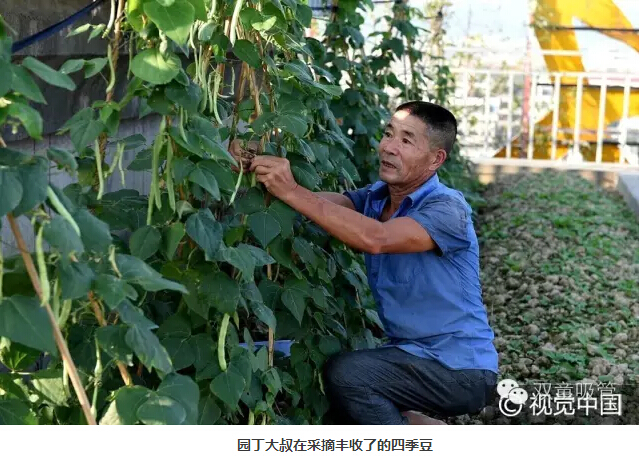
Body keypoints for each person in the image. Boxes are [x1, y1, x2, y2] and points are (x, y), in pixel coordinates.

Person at [228, 101, 498, 425]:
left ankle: (410, 440)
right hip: (410, 358)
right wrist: (257, 171)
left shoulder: (447, 209)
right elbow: (327, 205)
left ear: (435, 159)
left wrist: (291, 190)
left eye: (406, 140)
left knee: (349, 375)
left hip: (461, 369)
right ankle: (420, 427)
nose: (389, 147)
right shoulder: (378, 198)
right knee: (313, 376)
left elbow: (376, 237)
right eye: (389, 134)